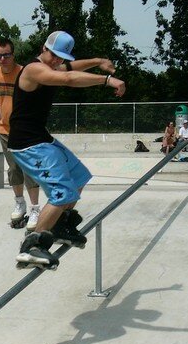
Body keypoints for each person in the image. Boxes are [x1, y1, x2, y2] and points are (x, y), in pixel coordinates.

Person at [8, 30, 125, 269]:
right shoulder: (33, 69)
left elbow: (71, 67)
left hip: (41, 138)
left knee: (79, 175)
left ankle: (59, 225)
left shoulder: (56, 65)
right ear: (44, 48)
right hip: (27, 144)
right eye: (54, 56)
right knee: (62, 192)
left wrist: (98, 61)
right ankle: (33, 245)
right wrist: (105, 80)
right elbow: (69, 79)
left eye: (61, 58)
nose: (57, 62)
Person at [0, 37, 42, 230]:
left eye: (6, 55)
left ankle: (35, 208)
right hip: (4, 130)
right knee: (14, 170)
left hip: (26, 132)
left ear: (13, 55)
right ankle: (20, 202)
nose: (3, 59)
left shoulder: (23, 73)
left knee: (29, 169)